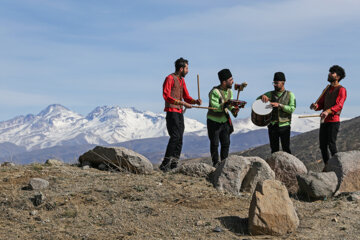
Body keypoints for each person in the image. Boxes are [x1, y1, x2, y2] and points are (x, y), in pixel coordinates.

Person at [159, 57, 202, 172]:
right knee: (175, 137)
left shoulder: (182, 81)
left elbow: (186, 96)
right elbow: (166, 96)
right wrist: (182, 103)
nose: (188, 71)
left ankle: (174, 164)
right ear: (181, 68)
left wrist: (194, 101)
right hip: (171, 112)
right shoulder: (169, 78)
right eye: (187, 68)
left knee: (180, 138)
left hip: (179, 112)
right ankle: (164, 164)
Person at [310, 65, 347, 166]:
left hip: (334, 121)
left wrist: (328, 111)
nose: (329, 74)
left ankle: (338, 166)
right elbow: (321, 104)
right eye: (330, 72)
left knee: (331, 144)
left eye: (332, 73)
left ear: (338, 76)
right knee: (322, 146)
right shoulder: (326, 89)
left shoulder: (341, 89)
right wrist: (316, 106)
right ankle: (327, 166)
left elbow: (339, 105)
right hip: (324, 121)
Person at [207, 69, 239, 167]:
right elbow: (215, 107)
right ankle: (215, 164)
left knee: (226, 143)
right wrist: (225, 104)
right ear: (224, 82)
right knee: (215, 144)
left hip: (224, 121)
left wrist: (234, 109)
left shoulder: (230, 91)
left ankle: (224, 164)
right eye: (230, 80)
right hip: (214, 122)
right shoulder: (214, 92)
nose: (233, 81)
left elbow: (230, 105)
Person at [258, 72, 296, 154]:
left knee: (286, 149)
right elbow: (257, 100)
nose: (275, 85)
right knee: (274, 150)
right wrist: (262, 96)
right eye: (274, 83)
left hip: (285, 125)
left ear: (283, 83)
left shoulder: (290, 95)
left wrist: (280, 105)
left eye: (277, 83)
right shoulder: (269, 94)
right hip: (272, 126)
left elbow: (292, 109)